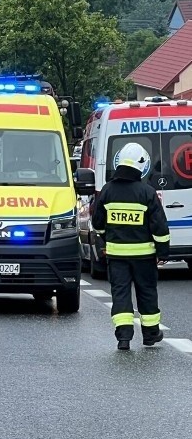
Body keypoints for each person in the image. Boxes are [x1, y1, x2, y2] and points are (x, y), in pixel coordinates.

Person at [92, 142, 170, 351]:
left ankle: (124, 338)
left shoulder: (107, 191)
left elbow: (97, 223)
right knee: (147, 293)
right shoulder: (147, 192)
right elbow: (160, 228)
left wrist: (105, 239)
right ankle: (151, 334)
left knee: (121, 295)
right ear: (140, 166)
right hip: (145, 256)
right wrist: (163, 253)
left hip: (116, 256)